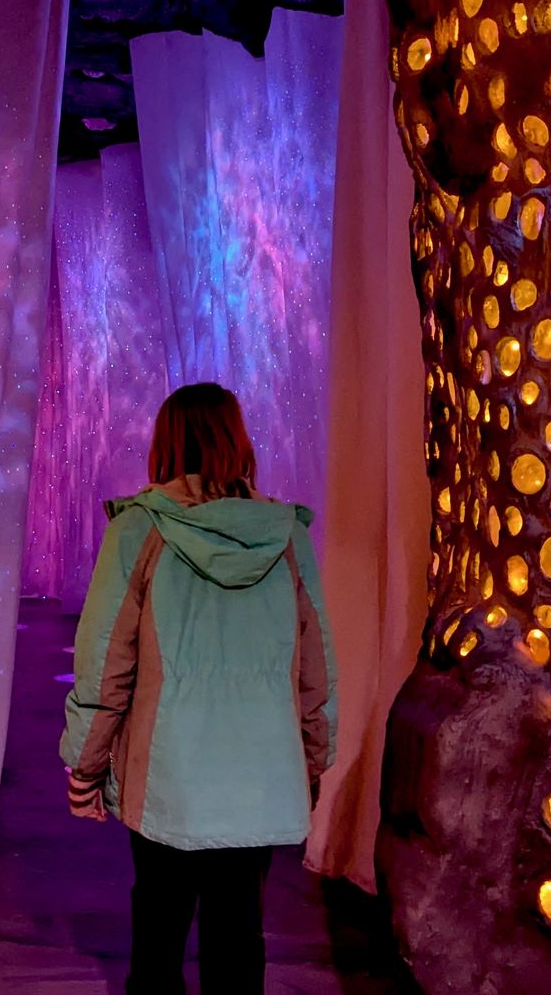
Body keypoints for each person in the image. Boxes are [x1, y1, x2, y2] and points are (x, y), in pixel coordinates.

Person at [60, 382, 337, 995]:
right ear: (238, 442)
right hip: (260, 773)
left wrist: (86, 764)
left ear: (166, 444)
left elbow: (105, 662)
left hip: (169, 778)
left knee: (158, 934)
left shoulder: (139, 530)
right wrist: (313, 758)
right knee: (239, 935)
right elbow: (315, 665)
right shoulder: (286, 536)